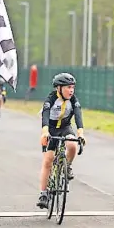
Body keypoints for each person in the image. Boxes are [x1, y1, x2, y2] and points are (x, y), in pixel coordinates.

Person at [36, 73, 86, 209]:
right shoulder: (51, 99)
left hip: (65, 127)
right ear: (59, 88)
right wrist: (45, 132)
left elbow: (78, 116)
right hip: (51, 129)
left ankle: (67, 166)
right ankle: (44, 193)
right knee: (48, 161)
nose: (71, 90)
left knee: (72, 145)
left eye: (73, 88)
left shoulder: (73, 100)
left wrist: (81, 133)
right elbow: (45, 115)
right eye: (68, 87)